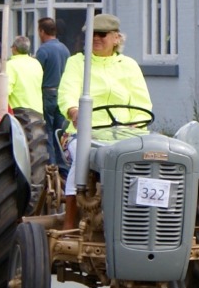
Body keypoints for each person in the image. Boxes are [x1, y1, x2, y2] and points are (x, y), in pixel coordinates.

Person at [57, 13, 152, 229]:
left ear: (116, 38)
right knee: (82, 157)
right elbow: (68, 92)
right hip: (85, 133)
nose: (95, 39)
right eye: (91, 35)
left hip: (126, 135)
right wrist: (74, 111)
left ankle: (143, 220)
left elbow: (142, 103)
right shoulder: (77, 62)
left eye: (101, 34)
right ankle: (69, 220)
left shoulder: (128, 65)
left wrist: (135, 124)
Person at [35, 17, 70, 166]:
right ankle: (63, 169)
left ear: (42, 31)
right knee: (59, 133)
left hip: (47, 94)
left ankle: (51, 167)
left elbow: (36, 73)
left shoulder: (43, 50)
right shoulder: (65, 49)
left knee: (47, 131)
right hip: (62, 94)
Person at [5, 35, 44, 115]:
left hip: (18, 113)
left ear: (15, 48)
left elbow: (4, 91)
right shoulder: (36, 63)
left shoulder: (10, 65)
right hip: (37, 111)